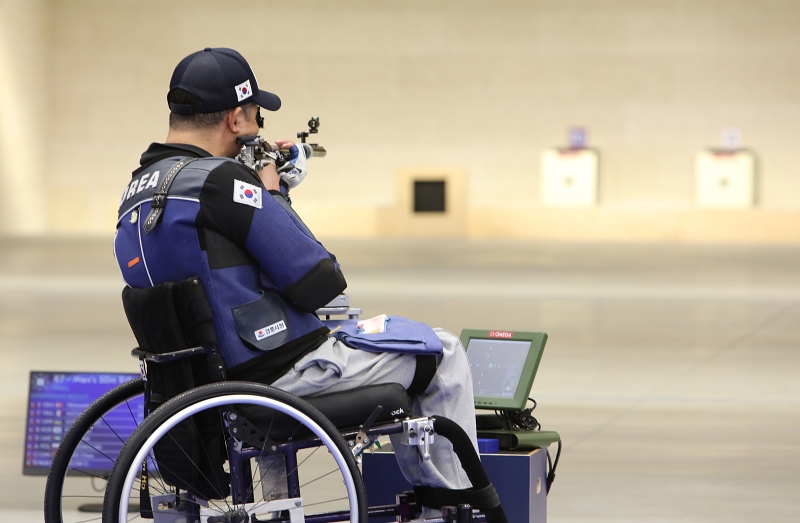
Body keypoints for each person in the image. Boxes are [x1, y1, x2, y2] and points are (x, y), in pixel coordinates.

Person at [114, 47, 485, 520]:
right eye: (255, 117)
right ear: (235, 118)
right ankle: (449, 511)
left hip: (200, 386)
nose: (256, 128)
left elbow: (217, 272)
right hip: (273, 378)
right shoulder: (226, 184)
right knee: (444, 352)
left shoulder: (136, 193)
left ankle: (276, 511)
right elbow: (320, 280)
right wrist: (273, 193)